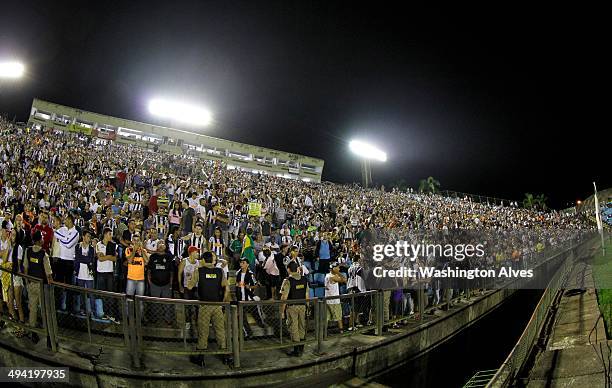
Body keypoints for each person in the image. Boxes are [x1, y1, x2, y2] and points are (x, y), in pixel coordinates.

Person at [188, 251, 231, 366]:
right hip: (217, 305)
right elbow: (226, 288)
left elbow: (190, 286)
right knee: (220, 331)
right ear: (212, 260)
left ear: (203, 260)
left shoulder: (198, 271)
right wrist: (222, 302)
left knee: (203, 331)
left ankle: (200, 358)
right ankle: (225, 356)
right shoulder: (219, 271)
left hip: (204, 305)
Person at [23, 231, 53, 344]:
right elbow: (48, 273)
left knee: (33, 309)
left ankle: (33, 332)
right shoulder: (43, 254)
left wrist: (27, 282)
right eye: (42, 237)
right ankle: (49, 336)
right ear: (39, 240)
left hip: (31, 284)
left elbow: (25, 267)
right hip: (42, 286)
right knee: (45, 310)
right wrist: (51, 284)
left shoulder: (28, 251)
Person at [280, 261, 309, 357]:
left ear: (288, 269)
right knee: (302, 326)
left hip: (292, 307)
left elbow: (284, 297)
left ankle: (296, 351)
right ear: (297, 269)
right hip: (302, 306)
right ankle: (301, 348)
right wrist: (307, 306)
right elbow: (307, 295)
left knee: (294, 327)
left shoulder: (287, 280)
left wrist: (282, 311)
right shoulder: (304, 279)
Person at [54, 214, 80, 311]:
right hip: (60, 260)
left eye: (66, 219)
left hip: (70, 262)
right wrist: (64, 239)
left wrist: (62, 240)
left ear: (70, 220)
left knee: (69, 286)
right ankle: (57, 306)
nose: (64, 221)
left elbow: (68, 244)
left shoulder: (76, 233)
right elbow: (56, 233)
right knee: (58, 285)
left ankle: (69, 310)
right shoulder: (63, 229)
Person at [235, 257, 264, 337]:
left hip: (250, 300)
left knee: (256, 314)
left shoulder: (250, 274)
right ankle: (248, 333)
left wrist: (250, 287)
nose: (241, 264)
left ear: (247, 264)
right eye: (240, 262)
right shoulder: (238, 273)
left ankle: (262, 325)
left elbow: (256, 285)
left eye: (243, 263)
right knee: (241, 317)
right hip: (241, 300)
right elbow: (237, 285)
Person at [147, 240, 173, 324]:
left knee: (167, 304)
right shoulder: (153, 256)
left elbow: (171, 272)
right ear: (157, 246)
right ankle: (154, 319)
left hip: (166, 285)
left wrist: (170, 284)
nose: (161, 245)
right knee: (154, 304)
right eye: (159, 244)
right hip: (155, 284)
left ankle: (168, 320)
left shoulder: (169, 257)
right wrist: (150, 283)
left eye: (163, 243)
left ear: (165, 246)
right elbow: (149, 271)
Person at [95, 227, 118, 322]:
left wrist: (106, 257)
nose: (111, 236)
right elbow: (100, 258)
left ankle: (110, 313)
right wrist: (109, 256)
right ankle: (101, 312)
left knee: (110, 294)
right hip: (100, 272)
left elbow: (115, 259)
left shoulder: (113, 245)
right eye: (109, 234)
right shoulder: (98, 245)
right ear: (105, 234)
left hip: (109, 272)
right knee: (101, 293)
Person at [74, 229, 95, 316]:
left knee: (91, 294)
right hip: (80, 273)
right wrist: (85, 259)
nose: (89, 238)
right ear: (83, 237)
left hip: (89, 273)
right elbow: (78, 259)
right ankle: (83, 310)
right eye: (87, 236)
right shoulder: (77, 246)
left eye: (90, 237)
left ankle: (93, 311)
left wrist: (83, 259)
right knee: (82, 293)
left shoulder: (91, 248)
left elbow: (90, 260)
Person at [124, 232, 149, 296]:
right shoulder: (128, 249)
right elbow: (129, 261)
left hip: (141, 279)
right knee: (129, 299)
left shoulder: (144, 251)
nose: (136, 242)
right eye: (134, 240)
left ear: (140, 241)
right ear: (132, 241)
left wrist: (141, 250)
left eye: (138, 240)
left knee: (140, 300)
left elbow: (147, 261)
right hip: (131, 278)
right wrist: (134, 250)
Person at [325, 262, 346, 333]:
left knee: (327, 318)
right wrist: (338, 273)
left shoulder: (327, 275)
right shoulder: (331, 277)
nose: (339, 269)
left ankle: (324, 332)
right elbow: (344, 280)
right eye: (337, 268)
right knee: (339, 317)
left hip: (328, 300)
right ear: (333, 268)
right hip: (334, 301)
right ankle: (341, 331)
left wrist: (336, 272)